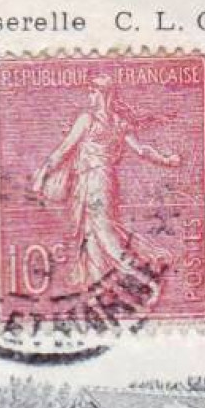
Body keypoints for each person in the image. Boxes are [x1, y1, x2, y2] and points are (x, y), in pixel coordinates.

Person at [32, 75, 181, 298]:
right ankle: (97, 293)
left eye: (92, 91)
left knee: (104, 234)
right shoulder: (119, 122)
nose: (90, 95)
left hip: (94, 183)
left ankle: (147, 280)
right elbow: (142, 150)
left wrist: (43, 172)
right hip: (104, 182)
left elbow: (64, 149)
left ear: (102, 93)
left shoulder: (87, 119)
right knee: (91, 235)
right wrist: (166, 159)